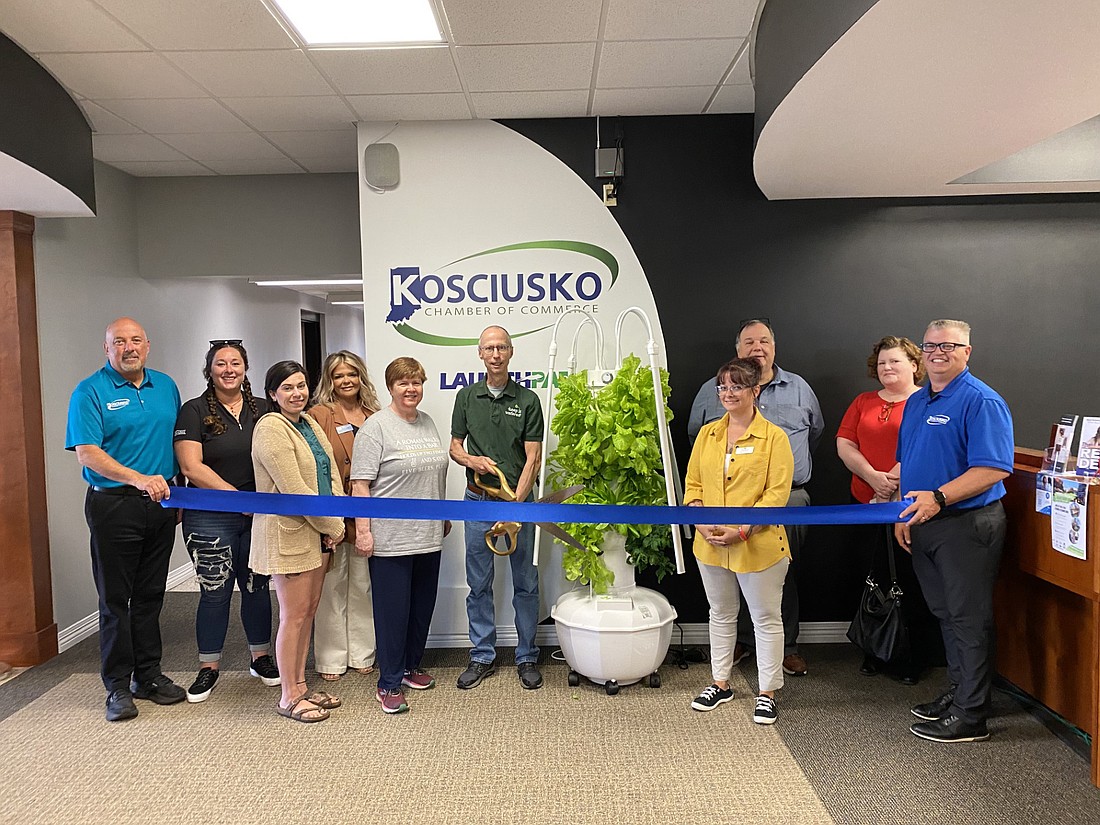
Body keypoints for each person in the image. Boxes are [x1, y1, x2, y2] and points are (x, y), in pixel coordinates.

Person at [896, 320, 1013, 743]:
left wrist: (939, 498)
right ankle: (961, 692)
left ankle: (972, 715)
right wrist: (903, 514)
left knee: (968, 618)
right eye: (930, 345)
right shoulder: (917, 401)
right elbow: (909, 461)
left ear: (968, 351)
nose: (938, 352)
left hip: (966, 525)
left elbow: (993, 467)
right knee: (946, 614)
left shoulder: (981, 401)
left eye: (949, 345)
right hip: (925, 523)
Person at [687, 318, 823, 676]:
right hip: (716, 512)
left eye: (764, 341)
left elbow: (816, 435)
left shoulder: (797, 391)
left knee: (778, 580)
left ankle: (782, 655)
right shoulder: (709, 405)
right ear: (738, 350)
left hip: (784, 503)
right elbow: (695, 469)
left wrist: (746, 526)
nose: (757, 347)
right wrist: (703, 520)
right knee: (724, 600)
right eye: (749, 342)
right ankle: (737, 652)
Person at [65, 317, 184, 721]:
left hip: (161, 504)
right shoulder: (90, 392)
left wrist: (177, 488)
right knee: (116, 599)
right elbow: (87, 453)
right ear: (107, 349)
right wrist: (138, 479)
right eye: (120, 342)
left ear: (147, 346)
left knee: (151, 594)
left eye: (135, 340)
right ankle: (117, 685)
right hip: (114, 504)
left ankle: (148, 676)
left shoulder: (165, 386)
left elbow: (174, 442)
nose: (128, 347)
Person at [685, 357, 793, 724]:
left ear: (755, 390)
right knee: (720, 614)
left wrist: (742, 530)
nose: (728, 394)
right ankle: (721, 683)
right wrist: (701, 523)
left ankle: (767, 691)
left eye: (736, 386)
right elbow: (693, 485)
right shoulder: (708, 434)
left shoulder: (774, 438)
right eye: (723, 387)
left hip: (759, 545)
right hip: (710, 543)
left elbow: (775, 496)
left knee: (765, 618)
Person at [174, 339, 279, 703]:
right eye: (221, 364)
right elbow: (191, 466)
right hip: (210, 516)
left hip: (259, 515)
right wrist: (238, 500)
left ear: (245, 368)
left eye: (235, 363)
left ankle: (261, 659)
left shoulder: (266, 410)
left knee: (256, 587)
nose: (229, 369)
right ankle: (209, 667)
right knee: (215, 592)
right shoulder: (193, 411)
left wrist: (256, 503)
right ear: (210, 370)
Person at [836, 336, 939, 683]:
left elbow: (926, 446)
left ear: (914, 364)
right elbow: (845, 442)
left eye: (895, 361)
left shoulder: (927, 401)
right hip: (864, 503)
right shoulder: (863, 401)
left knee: (911, 578)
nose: (887, 368)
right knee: (870, 575)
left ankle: (911, 654)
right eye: (881, 363)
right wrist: (871, 477)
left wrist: (892, 481)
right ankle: (875, 648)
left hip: (909, 505)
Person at [351, 357, 450, 714]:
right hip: (390, 539)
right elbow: (360, 485)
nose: (411, 389)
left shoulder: (427, 422)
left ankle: (410, 668)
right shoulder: (375, 428)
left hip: (429, 535)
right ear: (390, 387)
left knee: (421, 608)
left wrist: (443, 514)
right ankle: (388, 683)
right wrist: (364, 531)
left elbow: (435, 472)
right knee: (393, 614)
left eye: (417, 383)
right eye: (403, 383)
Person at [450, 325, 545, 691]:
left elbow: (533, 460)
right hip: (476, 504)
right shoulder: (466, 397)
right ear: (480, 353)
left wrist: (515, 508)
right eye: (489, 348)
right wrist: (472, 461)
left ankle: (526, 656)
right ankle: (482, 655)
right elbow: (454, 448)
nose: (495, 354)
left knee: (526, 583)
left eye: (501, 347)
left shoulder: (528, 400)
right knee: (479, 584)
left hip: (520, 505)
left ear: (510, 352)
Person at [251, 360, 346, 723]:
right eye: (288, 388)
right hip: (290, 534)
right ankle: (288, 695)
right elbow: (294, 489)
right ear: (273, 393)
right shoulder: (271, 428)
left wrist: (332, 521)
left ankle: (302, 685)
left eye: (301, 386)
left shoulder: (307, 423)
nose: (297, 393)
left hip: (318, 531)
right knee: (293, 616)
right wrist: (333, 527)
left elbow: (330, 474)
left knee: (308, 612)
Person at [308, 351, 380, 683]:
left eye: (351, 374)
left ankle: (363, 652)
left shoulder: (375, 414)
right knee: (332, 585)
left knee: (363, 585)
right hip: (334, 513)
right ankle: (331, 658)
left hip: (368, 512)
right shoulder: (318, 415)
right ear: (329, 381)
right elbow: (314, 469)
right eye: (338, 376)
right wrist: (326, 519)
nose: (346, 381)